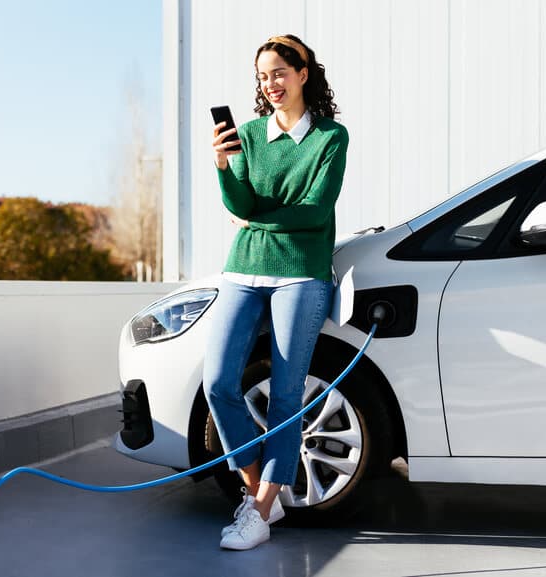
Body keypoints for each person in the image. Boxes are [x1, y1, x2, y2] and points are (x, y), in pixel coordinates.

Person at [204, 34, 349, 551]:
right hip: (243, 269)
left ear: (303, 72)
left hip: (302, 274)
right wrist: (224, 167)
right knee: (218, 382)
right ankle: (260, 497)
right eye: (263, 77)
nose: (271, 84)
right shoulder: (248, 134)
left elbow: (315, 211)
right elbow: (238, 203)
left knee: (287, 394)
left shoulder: (330, 137)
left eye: (280, 73)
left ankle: (260, 511)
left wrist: (256, 220)